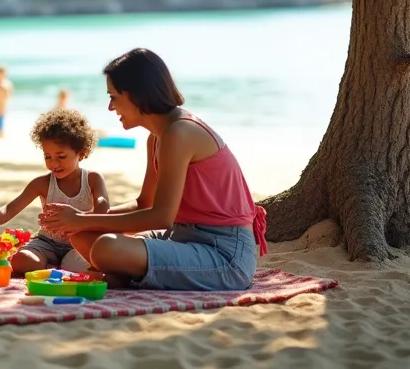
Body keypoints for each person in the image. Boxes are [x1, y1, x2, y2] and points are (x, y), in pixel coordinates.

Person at [39, 48, 268, 291]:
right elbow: (145, 204)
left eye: (113, 96)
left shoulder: (180, 133)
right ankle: (121, 276)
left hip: (224, 254)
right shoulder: (157, 137)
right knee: (81, 236)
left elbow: (160, 217)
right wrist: (78, 221)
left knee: (106, 247)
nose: (110, 107)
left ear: (136, 95)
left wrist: (81, 220)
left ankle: (120, 275)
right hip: (181, 237)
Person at [0, 109, 109, 274]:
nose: (54, 163)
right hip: (46, 242)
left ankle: (58, 266)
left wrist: (78, 218)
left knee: (81, 266)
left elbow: (103, 209)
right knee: (21, 261)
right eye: (47, 156)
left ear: (81, 154)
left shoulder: (93, 179)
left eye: (61, 157)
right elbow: (9, 209)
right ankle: (49, 264)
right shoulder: (43, 183)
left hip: (79, 243)